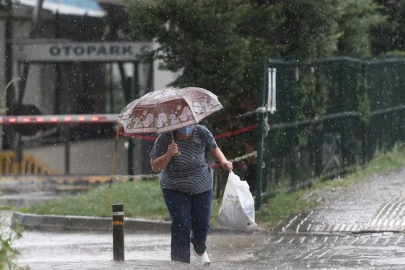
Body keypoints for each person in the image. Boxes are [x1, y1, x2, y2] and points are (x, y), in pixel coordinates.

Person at [150, 124, 233, 266]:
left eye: (189, 126)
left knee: (202, 224)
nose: (186, 130)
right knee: (181, 223)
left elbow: (213, 148)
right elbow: (155, 166)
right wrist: (169, 154)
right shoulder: (165, 137)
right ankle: (179, 263)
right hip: (174, 187)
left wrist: (223, 160)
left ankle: (199, 247)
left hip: (202, 185)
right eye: (182, 126)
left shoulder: (201, 132)